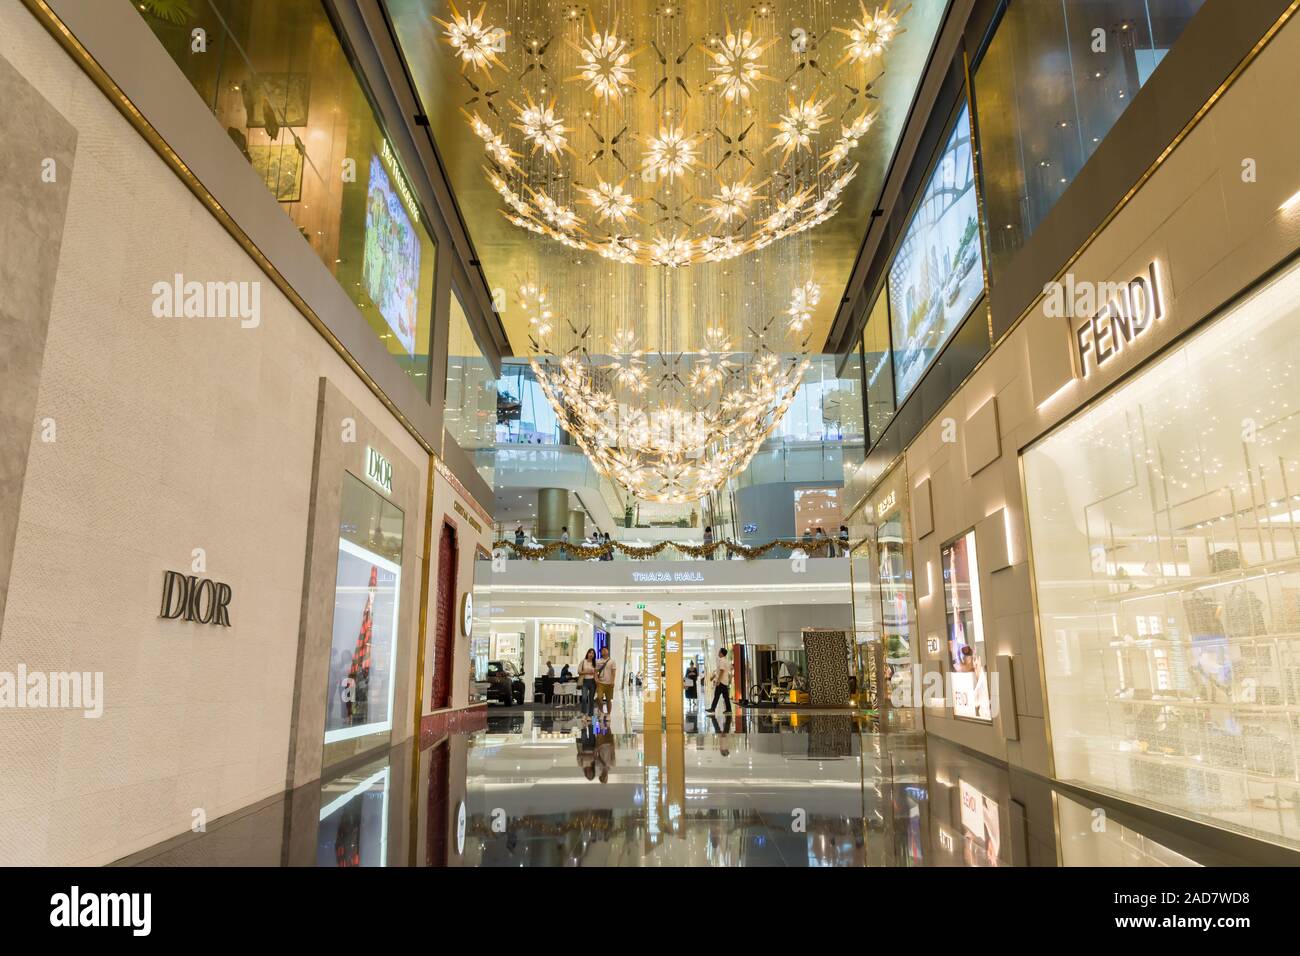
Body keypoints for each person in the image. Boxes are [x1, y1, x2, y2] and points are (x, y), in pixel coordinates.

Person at [706, 648, 732, 715]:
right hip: (724, 681)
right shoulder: (725, 660)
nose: (718, 652)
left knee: (717, 695)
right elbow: (719, 671)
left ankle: (712, 708)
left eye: (719, 651)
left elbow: (721, 671)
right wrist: (714, 677)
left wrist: (718, 681)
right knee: (725, 696)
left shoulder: (722, 660)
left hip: (721, 682)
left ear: (721, 653)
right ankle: (728, 709)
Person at [595, 646, 617, 715]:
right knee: (599, 698)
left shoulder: (612, 661)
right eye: (602, 650)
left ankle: (608, 714)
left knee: (608, 700)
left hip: (609, 683)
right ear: (601, 652)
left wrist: (612, 681)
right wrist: (596, 679)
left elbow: (613, 673)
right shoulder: (598, 661)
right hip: (600, 683)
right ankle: (601, 711)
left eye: (605, 650)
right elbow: (595, 672)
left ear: (608, 651)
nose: (604, 651)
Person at [578, 648, 598, 719]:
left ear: (594, 655)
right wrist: (587, 672)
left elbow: (596, 673)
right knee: (584, 698)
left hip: (592, 682)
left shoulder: (595, 663)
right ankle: (584, 713)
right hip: (585, 681)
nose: (591, 654)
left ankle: (590, 715)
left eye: (593, 653)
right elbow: (579, 671)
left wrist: (597, 682)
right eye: (590, 652)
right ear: (587, 653)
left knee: (591, 699)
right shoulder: (583, 661)